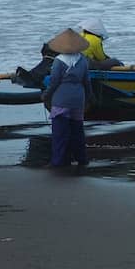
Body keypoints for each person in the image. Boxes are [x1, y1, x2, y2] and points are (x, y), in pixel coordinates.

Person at [13, 17, 120, 88]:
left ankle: (30, 77)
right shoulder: (95, 40)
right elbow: (101, 58)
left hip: (67, 60)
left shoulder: (80, 35)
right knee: (113, 61)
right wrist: (114, 62)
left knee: (45, 67)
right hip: (84, 61)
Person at [42, 28, 92, 169]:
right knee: (77, 131)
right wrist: (89, 97)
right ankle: (82, 159)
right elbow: (87, 82)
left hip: (61, 99)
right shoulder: (82, 60)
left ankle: (58, 161)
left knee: (60, 133)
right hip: (78, 99)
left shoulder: (59, 61)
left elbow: (54, 82)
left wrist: (46, 95)